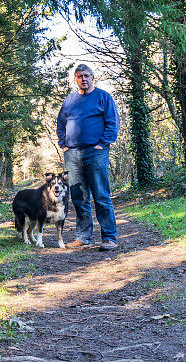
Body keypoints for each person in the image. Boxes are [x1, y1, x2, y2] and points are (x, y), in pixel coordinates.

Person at [56, 64, 120, 251]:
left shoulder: (103, 97)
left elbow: (112, 122)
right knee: (78, 197)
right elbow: (61, 123)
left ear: (92, 78)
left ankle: (109, 237)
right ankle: (83, 237)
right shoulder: (69, 101)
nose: (83, 79)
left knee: (101, 195)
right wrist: (64, 145)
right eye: (79, 76)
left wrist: (103, 144)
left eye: (86, 76)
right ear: (75, 79)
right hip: (73, 155)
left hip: (96, 152)